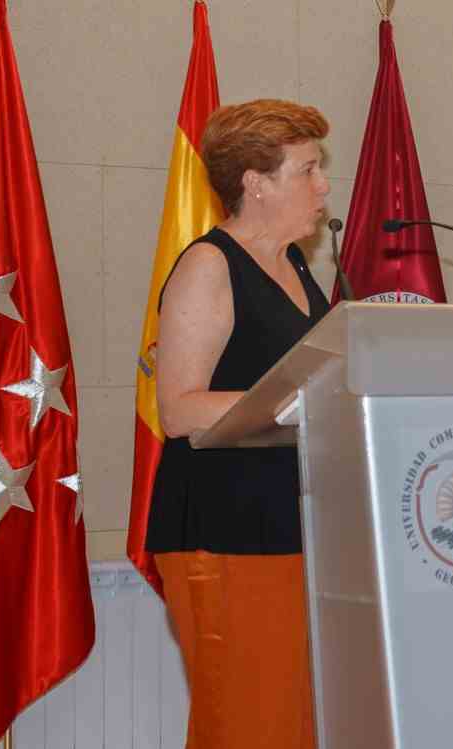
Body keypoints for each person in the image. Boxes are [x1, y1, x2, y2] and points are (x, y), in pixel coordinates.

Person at [146, 99, 332, 748]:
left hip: (296, 527)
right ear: (255, 183)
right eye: (307, 169)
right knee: (249, 726)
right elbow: (179, 408)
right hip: (225, 533)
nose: (323, 185)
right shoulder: (209, 265)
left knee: (296, 723)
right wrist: (296, 397)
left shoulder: (299, 268)